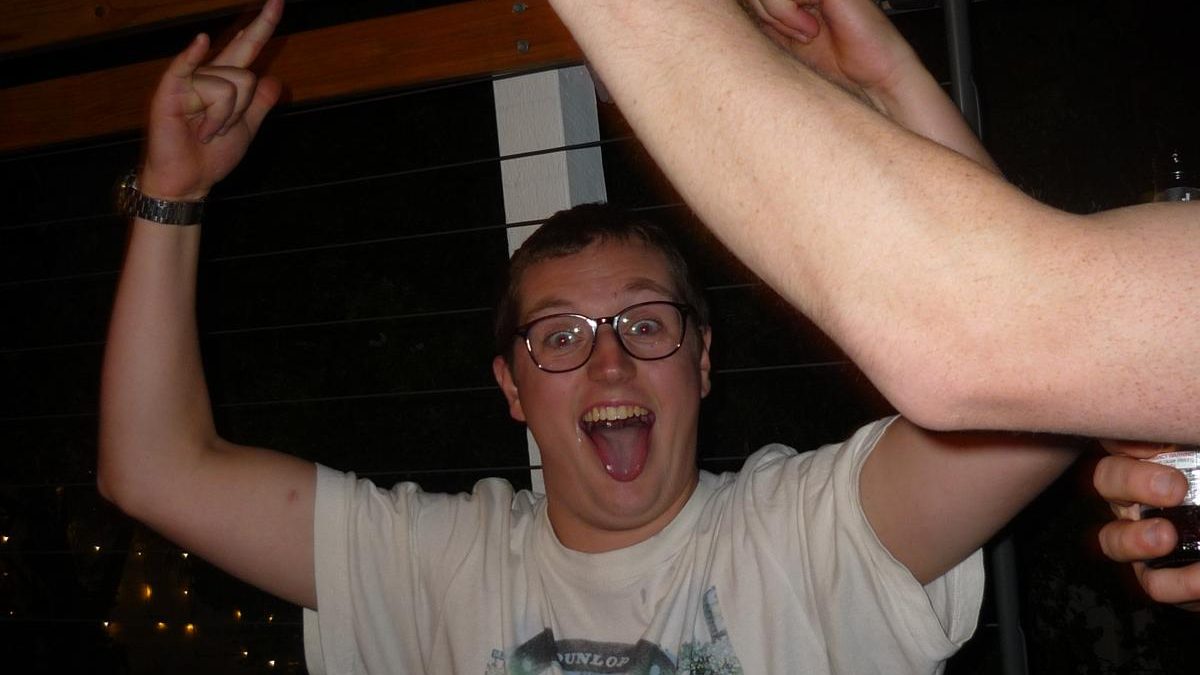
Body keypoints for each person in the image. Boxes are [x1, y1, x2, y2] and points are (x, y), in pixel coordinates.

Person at [546, 0, 1200, 610]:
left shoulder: (798, 537)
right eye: (559, 336)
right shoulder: (478, 545)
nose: (610, 362)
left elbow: (991, 342)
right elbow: (1017, 339)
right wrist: (883, 88)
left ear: (703, 358)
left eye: (646, 325)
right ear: (507, 385)